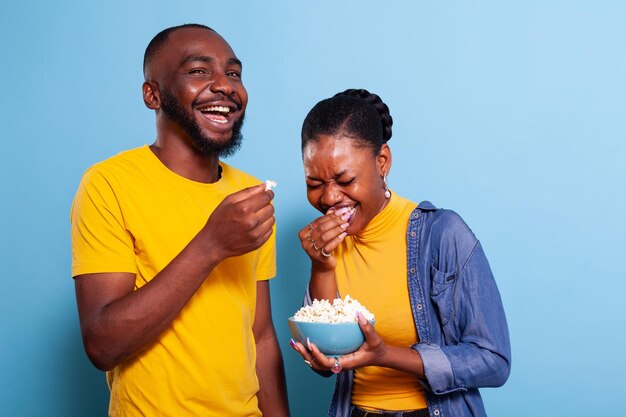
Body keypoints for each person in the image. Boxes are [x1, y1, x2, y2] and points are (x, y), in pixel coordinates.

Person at [71, 24, 290, 417]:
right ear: (152, 94)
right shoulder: (108, 184)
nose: (225, 85)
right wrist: (211, 244)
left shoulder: (251, 194)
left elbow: (260, 335)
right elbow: (102, 345)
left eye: (234, 73)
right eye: (199, 71)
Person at [289, 89, 511, 417]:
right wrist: (321, 267)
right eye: (314, 184)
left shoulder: (444, 235)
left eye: (345, 180)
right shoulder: (326, 244)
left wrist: (386, 355)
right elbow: (324, 363)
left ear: (382, 162)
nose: (330, 198)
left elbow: (494, 361)